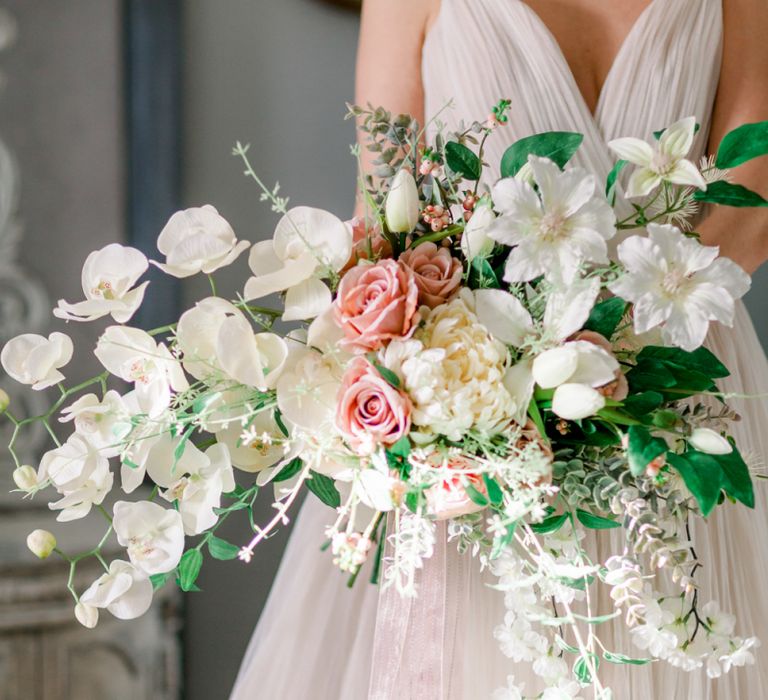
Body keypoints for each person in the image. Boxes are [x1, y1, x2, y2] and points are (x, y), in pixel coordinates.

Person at [230, 1, 768, 697]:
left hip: (677, 392)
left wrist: (603, 343)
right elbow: (382, 216)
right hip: (478, 409)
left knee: (693, 643)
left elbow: (751, 204)